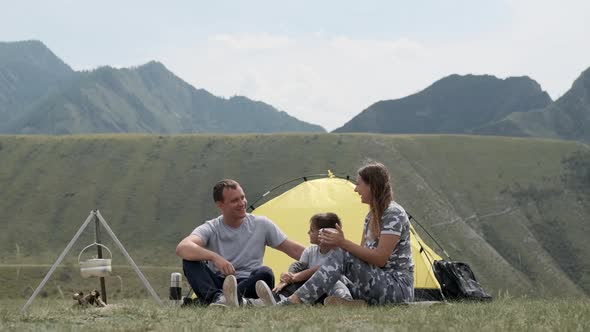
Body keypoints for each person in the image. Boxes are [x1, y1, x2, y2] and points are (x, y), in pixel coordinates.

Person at [256, 161, 414, 306]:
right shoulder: (371, 216)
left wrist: (342, 243)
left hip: (396, 288)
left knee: (341, 255)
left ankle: (290, 302)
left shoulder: (393, 214)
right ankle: (347, 302)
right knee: (334, 275)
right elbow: (362, 258)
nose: (355, 189)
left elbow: (380, 259)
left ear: (372, 186)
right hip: (376, 283)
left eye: (359, 184)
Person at [176, 179, 305, 307]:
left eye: (242, 198)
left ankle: (221, 300)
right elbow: (182, 247)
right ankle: (218, 299)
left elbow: (294, 250)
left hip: (248, 283)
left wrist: (323, 257)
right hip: (218, 282)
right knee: (189, 260)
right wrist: (214, 257)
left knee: (265, 273)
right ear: (220, 205)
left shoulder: (261, 224)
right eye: (234, 200)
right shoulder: (212, 227)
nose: (242, 203)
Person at [272, 213, 354, 303]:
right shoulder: (310, 250)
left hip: (331, 290)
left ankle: (346, 299)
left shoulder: (339, 253)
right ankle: (278, 296)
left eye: (311, 230)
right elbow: (299, 269)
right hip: (313, 291)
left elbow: (321, 269)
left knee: (335, 281)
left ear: (324, 233)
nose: (308, 232)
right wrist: (288, 277)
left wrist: (295, 277)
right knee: (296, 266)